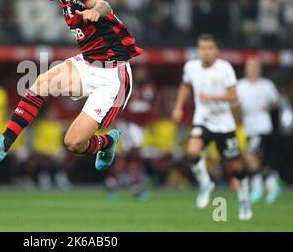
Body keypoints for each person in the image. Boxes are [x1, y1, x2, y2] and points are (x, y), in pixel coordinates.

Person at [0, 0, 143, 172]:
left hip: (113, 75)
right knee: (41, 83)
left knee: (73, 143)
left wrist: (94, 11)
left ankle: (107, 142)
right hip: (89, 64)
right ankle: (3, 144)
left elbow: (103, 5)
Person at [171, 34, 252, 220]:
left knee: (236, 166)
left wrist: (214, 98)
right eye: (202, 48)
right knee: (192, 151)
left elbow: (234, 96)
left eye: (209, 48)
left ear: (216, 50)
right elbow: (185, 85)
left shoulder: (224, 69)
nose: (205, 52)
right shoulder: (191, 67)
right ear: (198, 50)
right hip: (203, 120)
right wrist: (178, 106)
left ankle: (244, 199)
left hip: (224, 124)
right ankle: (205, 184)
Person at [105, 67, 156, 200]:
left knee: (128, 156)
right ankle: (136, 186)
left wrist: (150, 123)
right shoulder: (127, 85)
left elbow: (150, 106)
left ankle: (113, 181)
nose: (141, 74)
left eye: (143, 72)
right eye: (139, 72)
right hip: (129, 124)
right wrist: (116, 120)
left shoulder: (150, 87)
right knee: (134, 154)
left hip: (141, 126)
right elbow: (119, 102)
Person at [237, 57, 281, 204]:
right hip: (248, 127)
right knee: (258, 160)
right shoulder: (240, 85)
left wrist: (268, 107)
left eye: (255, 67)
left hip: (263, 127)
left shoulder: (267, 85)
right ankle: (271, 182)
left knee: (249, 155)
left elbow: (277, 101)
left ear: (260, 69)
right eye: (250, 67)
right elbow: (234, 105)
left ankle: (258, 186)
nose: (252, 70)